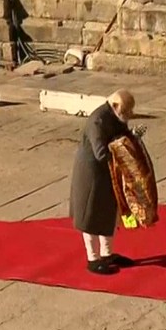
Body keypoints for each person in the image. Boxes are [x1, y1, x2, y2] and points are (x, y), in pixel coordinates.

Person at [69, 90, 138, 275]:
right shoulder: (97, 121)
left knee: (108, 213)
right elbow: (101, 153)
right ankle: (93, 258)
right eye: (127, 111)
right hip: (91, 174)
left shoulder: (116, 116)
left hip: (107, 173)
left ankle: (107, 254)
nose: (129, 115)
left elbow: (122, 135)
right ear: (115, 107)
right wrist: (123, 154)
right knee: (90, 216)